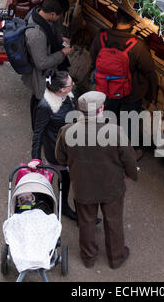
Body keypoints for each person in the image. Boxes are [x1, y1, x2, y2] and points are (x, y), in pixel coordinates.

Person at [55, 91, 138, 269]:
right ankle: (116, 258)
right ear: (101, 109)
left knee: (86, 222)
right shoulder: (115, 132)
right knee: (114, 221)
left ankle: (88, 258)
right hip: (112, 186)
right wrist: (131, 174)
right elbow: (129, 159)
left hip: (83, 186)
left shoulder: (67, 131)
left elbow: (60, 159)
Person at [90, 8, 158, 161]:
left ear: (116, 16)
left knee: (107, 115)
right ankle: (128, 153)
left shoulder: (101, 37)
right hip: (130, 92)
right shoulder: (137, 45)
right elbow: (149, 70)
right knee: (129, 121)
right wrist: (152, 94)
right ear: (133, 22)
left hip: (105, 87)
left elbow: (93, 56)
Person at [28, 69, 77, 221]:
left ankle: (69, 207)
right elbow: (38, 133)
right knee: (63, 178)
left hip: (71, 146)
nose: (73, 84)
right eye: (70, 83)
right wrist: (35, 158)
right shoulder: (45, 106)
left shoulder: (67, 96)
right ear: (62, 89)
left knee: (71, 178)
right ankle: (58, 206)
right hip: (57, 150)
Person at [22, 0, 74, 129]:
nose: (60, 18)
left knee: (40, 99)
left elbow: (50, 36)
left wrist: (60, 40)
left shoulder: (39, 14)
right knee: (40, 101)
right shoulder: (36, 34)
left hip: (45, 72)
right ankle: (39, 130)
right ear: (52, 14)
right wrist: (63, 53)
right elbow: (42, 63)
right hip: (40, 76)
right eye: (60, 15)